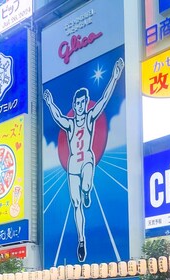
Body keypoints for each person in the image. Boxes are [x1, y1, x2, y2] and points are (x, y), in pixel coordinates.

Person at [43, 58, 124, 263]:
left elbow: (104, 100)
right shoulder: (70, 124)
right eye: (77, 103)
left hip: (87, 159)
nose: (79, 106)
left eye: (82, 102)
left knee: (86, 185)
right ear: (74, 105)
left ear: (85, 103)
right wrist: (49, 102)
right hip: (73, 165)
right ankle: (81, 240)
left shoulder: (89, 118)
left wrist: (115, 77)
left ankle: (87, 190)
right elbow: (57, 117)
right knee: (76, 204)